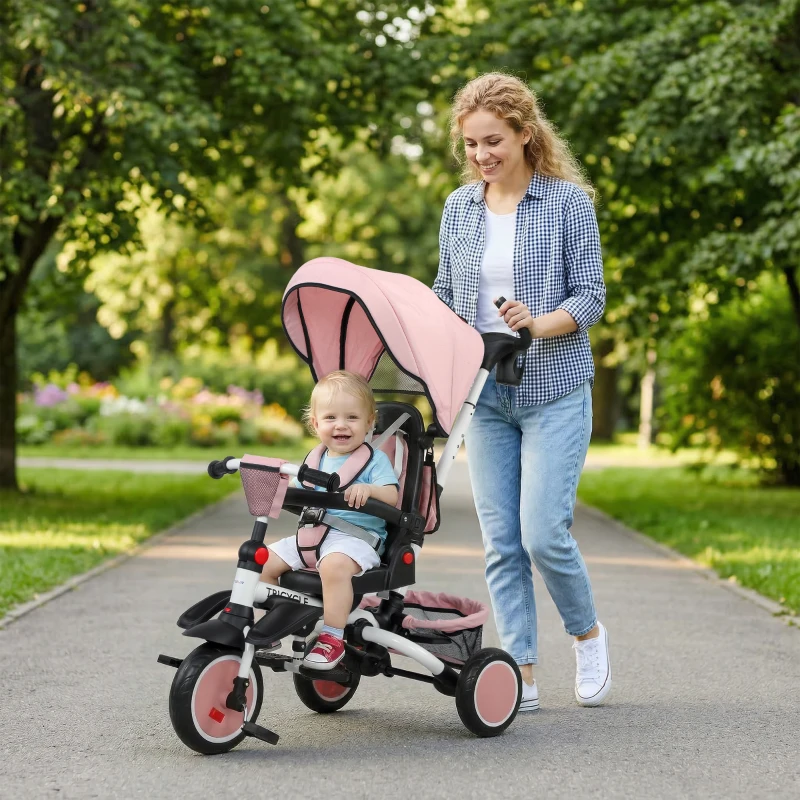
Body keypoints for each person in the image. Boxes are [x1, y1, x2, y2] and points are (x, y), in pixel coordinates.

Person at [432, 73, 611, 710]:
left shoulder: (566, 203)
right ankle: (522, 673)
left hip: (554, 387)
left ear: (524, 134)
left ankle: (587, 634)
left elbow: (590, 296)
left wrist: (538, 322)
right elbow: (447, 297)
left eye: (494, 141)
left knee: (542, 533)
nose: (483, 155)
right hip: (484, 395)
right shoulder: (460, 208)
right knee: (501, 542)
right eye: (473, 144)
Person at [259, 370, 399, 669]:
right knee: (261, 562)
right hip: (313, 536)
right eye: (331, 418)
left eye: (352, 417)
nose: (341, 425)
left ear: (369, 422)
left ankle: (333, 637)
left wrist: (370, 489)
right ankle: (276, 623)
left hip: (356, 539)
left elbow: (391, 496)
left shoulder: (374, 460)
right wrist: (280, 486)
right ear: (316, 423)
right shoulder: (314, 459)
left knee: (334, 566)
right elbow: (299, 491)